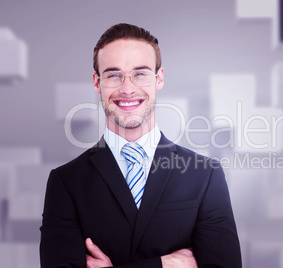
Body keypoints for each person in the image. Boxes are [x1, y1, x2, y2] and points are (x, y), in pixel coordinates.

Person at [40, 23, 242, 268]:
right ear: (97, 82)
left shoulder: (205, 175)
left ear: (159, 79)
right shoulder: (66, 182)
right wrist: (167, 264)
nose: (127, 88)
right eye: (113, 75)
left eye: (140, 73)